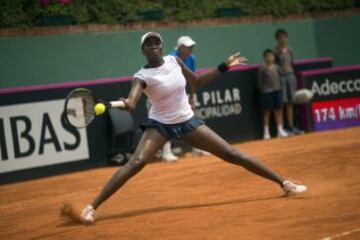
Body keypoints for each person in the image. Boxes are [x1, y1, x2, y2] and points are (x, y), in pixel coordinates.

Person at [62, 32, 307, 224]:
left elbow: (198, 81)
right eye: (149, 44)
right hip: (160, 125)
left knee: (232, 154)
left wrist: (224, 65)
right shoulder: (141, 76)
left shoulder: (174, 60)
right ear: (143, 50)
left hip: (188, 121)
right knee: (135, 164)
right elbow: (132, 103)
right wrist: (120, 103)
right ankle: (91, 207)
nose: (155, 46)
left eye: (157, 42)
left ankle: (285, 183)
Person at [170, 36, 210, 157]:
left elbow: (193, 80)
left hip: (185, 91)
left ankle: (197, 148)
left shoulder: (191, 58)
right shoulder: (171, 59)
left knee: (193, 120)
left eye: (191, 47)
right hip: (171, 94)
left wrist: (192, 97)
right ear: (180, 47)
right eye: (188, 47)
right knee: (166, 122)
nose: (191, 49)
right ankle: (166, 152)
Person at [273, 29, 303, 135]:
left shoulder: (290, 50)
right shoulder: (275, 51)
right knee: (283, 103)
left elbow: (292, 63)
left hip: (291, 77)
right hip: (281, 79)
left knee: (291, 102)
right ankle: (283, 129)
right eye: (280, 37)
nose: (282, 39)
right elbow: (274, 66)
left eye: (284, 37)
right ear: (277, 39)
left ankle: (291, 127)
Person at [258, 49, 288, 140]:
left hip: (277, 91)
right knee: (267, 113)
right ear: (264, 58)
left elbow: (283, 75)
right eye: (268, 56)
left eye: (271, 56)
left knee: (278, 111)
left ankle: (280, 130)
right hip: (267, 93)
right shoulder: (262, 69)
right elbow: (259, 83)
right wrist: (264, 90)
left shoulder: (277, 68)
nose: (270, 58)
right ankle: (266, 133)